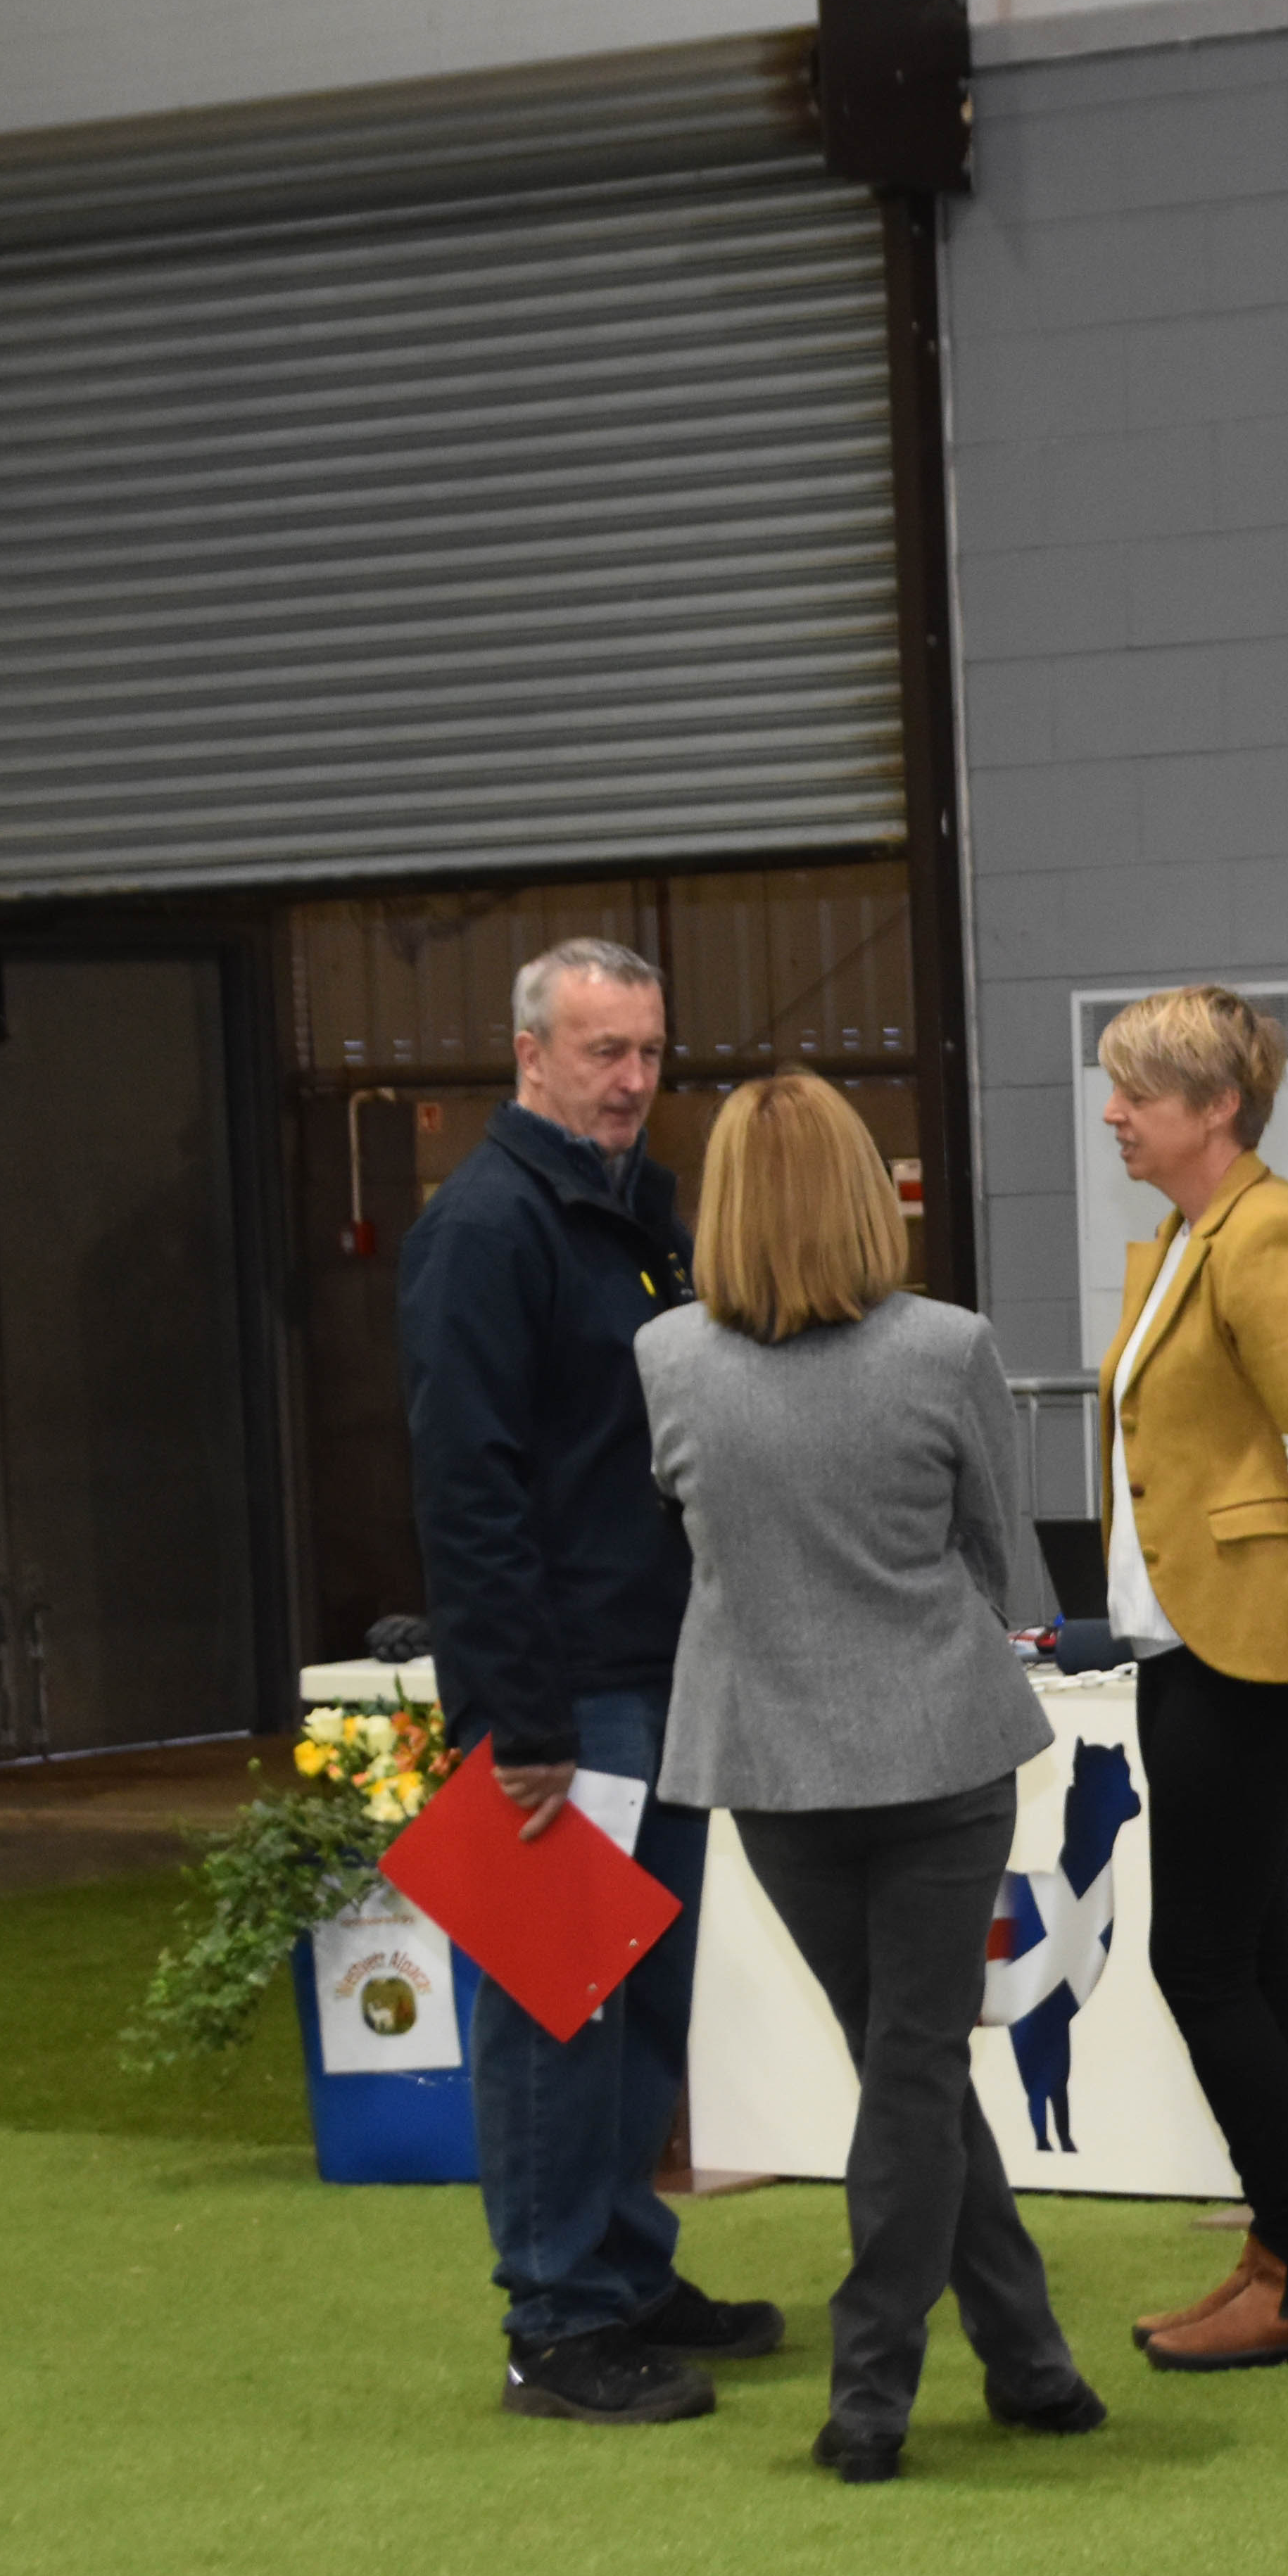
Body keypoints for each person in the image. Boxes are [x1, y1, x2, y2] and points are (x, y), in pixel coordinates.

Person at [636, 1074, 1098, 2484]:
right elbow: (1000, 1565)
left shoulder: (666, 1357)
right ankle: (881, 2387)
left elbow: (694, 1542)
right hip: (939, 1751)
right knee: (915, 2067)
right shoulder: (949, 1348)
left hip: (771, 1766)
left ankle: (1024, 2359)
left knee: (906, 2065)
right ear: (861, 1193)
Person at [397, 936, 784, 2425]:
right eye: (602, 1050)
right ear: (531, 1055)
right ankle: (555, 2323)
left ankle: (623, 2268)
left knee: (643, 2003)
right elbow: (468, 1489)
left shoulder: (637, 1217)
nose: (631, 1080)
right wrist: (520, 1715)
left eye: (648, 1052)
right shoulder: (485, 1228)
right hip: (566, 1691)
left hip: (665, 1668)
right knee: (554, 2008)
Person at [1087, 986, 1288, 2373]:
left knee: (1202, 1956)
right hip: (1198, 1640)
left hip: (1258, 1643)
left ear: (1218, 1105)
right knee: (1251, 1947)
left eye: (1139, 1092)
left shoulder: (1267, 1231)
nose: (1113, 1113)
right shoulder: (1191, 1234)